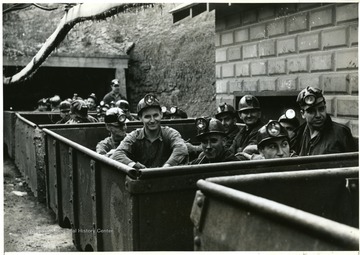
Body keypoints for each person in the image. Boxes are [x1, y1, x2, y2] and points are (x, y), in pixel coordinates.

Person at [111, 93, 188, 169]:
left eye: (155, 115)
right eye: (147, 117)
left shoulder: (170, 133)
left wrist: (167, 167)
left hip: (166, 178)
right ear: (140, 118)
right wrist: (134, 166)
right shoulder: (134, 136)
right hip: (142, 179)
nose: (152, 120)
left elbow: (181, 149)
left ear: (161, 114)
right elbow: (117, 154)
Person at [291, 86, 357, 155]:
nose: (318, 115)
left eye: (321, 109)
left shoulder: (341, 133)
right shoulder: (298, 135)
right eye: (311, 111)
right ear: (302, 114)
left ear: (325, 108)